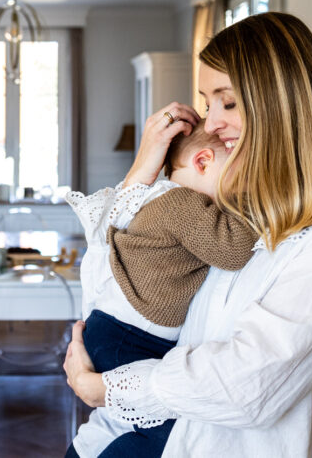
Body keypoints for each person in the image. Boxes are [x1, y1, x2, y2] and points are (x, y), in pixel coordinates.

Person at [63, 12, 312, 457]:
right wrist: (142, 172)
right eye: (207, 104)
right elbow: (108, 287)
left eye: (230, 102)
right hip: (110, 438)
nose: (212, 123)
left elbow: (249, 384)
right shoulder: (222, 204)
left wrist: (107, 388)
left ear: (284, 103)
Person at [65, 126, 259, 457]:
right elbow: (233, 250)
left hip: (116, 331)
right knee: (167, 432)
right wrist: (251, 202)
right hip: (129, 338)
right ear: (203, 161)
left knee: (124, 422)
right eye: (239, 178)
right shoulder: (183, 203)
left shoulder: (157, 197)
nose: (236, 190)